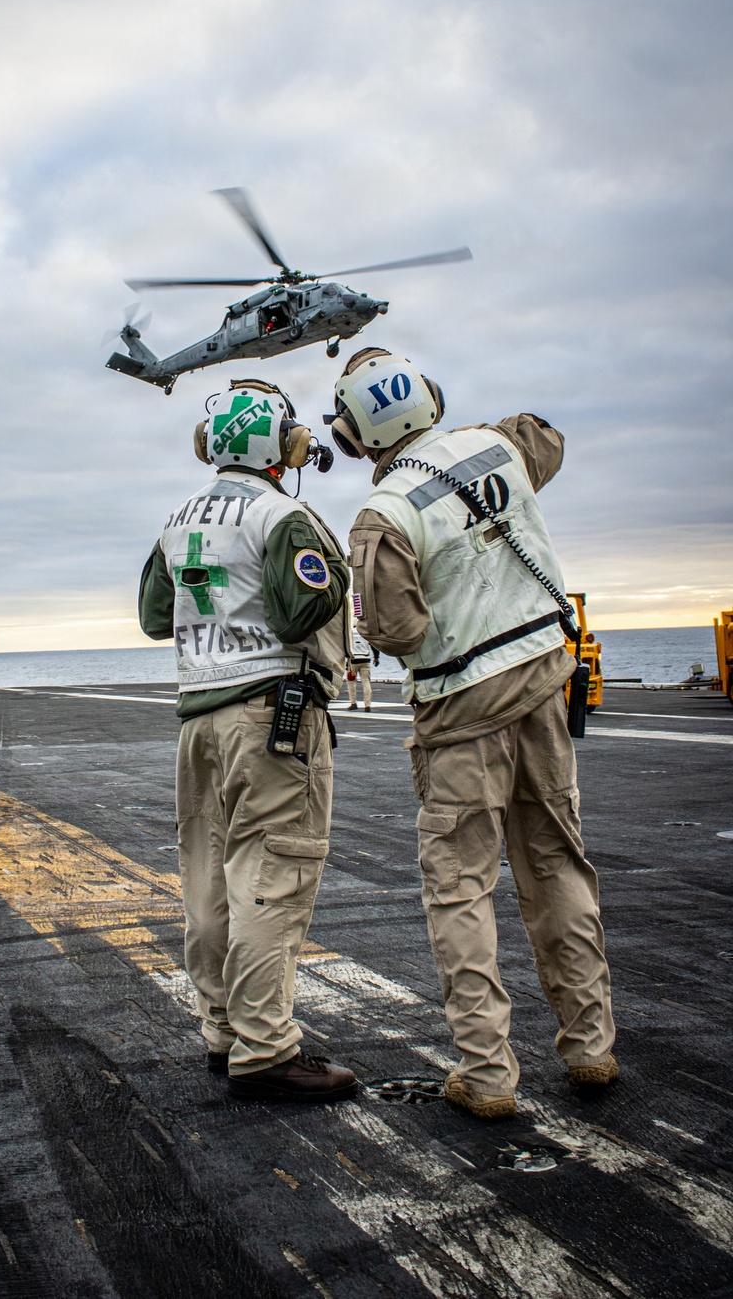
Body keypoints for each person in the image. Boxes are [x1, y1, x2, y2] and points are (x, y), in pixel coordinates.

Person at [330, 348, 616, 1118]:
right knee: (558, 864)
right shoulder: (503, 444)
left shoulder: (383, 514)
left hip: (461, 715)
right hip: (543, 688)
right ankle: (590, 1046)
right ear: (429, 398)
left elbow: (393, 626)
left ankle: (488, 1074)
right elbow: (545, 437)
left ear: (357, 436)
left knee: (460, 890)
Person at [139, 380, 358, 1104]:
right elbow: (303, 612)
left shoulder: (177, 518)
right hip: (271, 715)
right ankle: (266, 1049)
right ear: (282, 447)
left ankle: (224, 1031)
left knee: (206, 878)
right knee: (271, 877)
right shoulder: (281, 511)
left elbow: (152, 614)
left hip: (197, 716)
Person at [343, 623, 373, 711]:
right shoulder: (366, 632)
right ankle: (367, 705)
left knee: (351, 682)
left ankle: (353, 703)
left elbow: (345, 645)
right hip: (365, 659)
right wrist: (376, 657)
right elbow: (374, 644)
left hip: (353, 659)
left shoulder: (350, 632)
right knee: (366, 682)